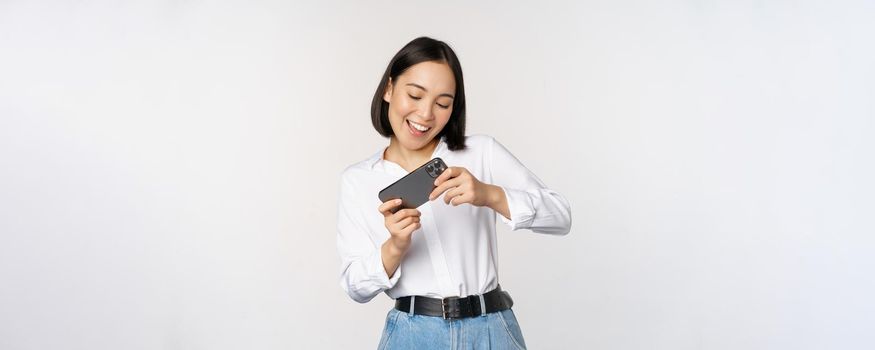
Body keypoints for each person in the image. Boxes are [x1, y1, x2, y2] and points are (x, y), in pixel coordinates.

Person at [336, 36, 572, 350]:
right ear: (389, 89)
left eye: (443, 103)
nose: (425, 114)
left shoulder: (481, 152)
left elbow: (561, 217)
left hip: (492, 329)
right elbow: (355, 287)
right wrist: (396, 245)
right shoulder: (358, 180)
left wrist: (490, 195)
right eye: (415, 95)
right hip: (412, 335)